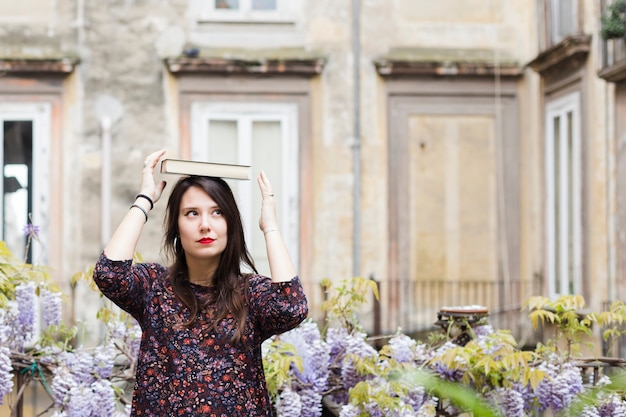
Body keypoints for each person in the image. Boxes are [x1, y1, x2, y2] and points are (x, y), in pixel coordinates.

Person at [93, 149, 308, 416]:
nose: (205, 225)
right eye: (192, 213)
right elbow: (109, 274)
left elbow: (292, 307)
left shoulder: (250, 293)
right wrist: (144, 199)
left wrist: (270, 227)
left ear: (231, 224)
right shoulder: (154, 288)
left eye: (217, 212)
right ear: (176, 228)